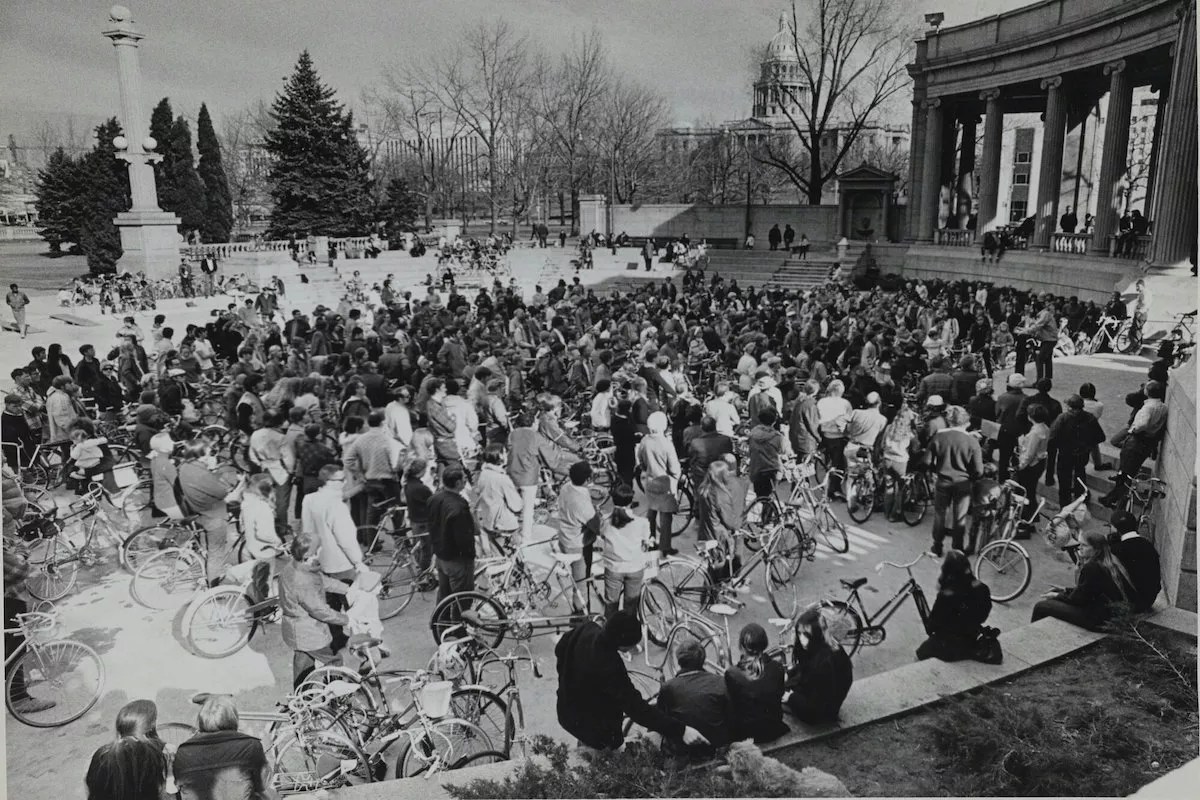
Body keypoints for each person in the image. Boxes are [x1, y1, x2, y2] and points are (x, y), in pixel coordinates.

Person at [555, 610, 706, 750]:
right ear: (622, 644)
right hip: (594, 728)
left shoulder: (587, 628)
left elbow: (560, 649)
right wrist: (681, 730)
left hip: (567, 708)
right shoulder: (609, 666)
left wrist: (568, 678)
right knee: (605, 756)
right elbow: (637, 709)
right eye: (632, 644)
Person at [172, 694, 276, 799]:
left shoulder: (183, 752)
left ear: (201, 720)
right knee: (271, 795)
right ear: (233, 718)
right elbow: (263, 784)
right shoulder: (250, 746)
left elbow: (179, 786)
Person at [1031, 530, 1135, 630]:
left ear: (1096, 549)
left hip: (1098, 620)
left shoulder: (1091, 567)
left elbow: (1078, 600)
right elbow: (1087, 591)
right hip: (1109, 614)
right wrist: (1065, 590)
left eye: (1084, 545)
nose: (1080, 548)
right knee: (1053, 601)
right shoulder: (1111, 561)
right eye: (1080, 544)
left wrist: (1057, 595)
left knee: (1041, 606)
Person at [916, 551, 994, 661]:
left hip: (949, 646)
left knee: (919, 655)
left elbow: (932, 626)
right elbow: (983, 616)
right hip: (971, 640)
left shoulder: (946, 595)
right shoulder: (983, 588)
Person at [1100, 380, 1167, 508]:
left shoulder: (1148, 407)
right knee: (1129, 473)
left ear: (1148, 392)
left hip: (1136, 442)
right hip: (1147, 443)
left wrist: (1133, 429)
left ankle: (1113, 500)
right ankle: (1112, 498)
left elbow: (1143, 424)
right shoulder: (1163, 407)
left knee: (1125, 474)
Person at [657, 641, 732, 756]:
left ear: (679, 661)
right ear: (703, 660)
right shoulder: (720, 681)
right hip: (718, 748)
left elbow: (662, 719)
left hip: (685, 752)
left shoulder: (668, 687)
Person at [927, 406, 984, 556]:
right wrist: (970, 477)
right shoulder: (972, 441)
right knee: (960, 517)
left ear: (949, 420)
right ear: (966, 422)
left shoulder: (939, 437)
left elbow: (927, 461)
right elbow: (979, 471)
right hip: (963, 483)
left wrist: (936, 471)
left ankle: (937, 546)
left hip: (942, 480)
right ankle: (957, 549)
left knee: (940, 514)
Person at [783, 606, 853, 724]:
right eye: (799, 634)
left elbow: (815, 707)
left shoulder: (823, 664)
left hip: (819, 715)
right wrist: (790, 673)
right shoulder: (825, 647)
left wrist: (791, 698)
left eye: (806, 635)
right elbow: (806, 668)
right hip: (823, 701)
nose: (802, 640)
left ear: (816, 634)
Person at [724, 622, 788, 743]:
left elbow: (732, 706)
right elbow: (779, 694)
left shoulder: (732, 673)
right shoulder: (777, 667)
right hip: (773, 728)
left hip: (747, 733)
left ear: (741, 646)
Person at [600, 484, 651, 617]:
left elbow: (602, 535)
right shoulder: (642, 522)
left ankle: (609, 635)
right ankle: (627, 634)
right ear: (630, 502)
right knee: (631, 607)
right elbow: (645, 544)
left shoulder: (606, 520)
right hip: (635, 567)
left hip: (613, 568)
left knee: (611, 606)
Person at [429, 465, 477, 603]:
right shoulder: (460, 506)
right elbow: (465, 538)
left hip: (441, 555)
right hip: (458, 560)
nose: (465, 482)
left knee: (444, 595)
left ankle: (440, 623)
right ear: (457, 483)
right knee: (462, 600)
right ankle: (459, 623)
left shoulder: (434, 499)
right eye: (464, 480)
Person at [636, 411, 681, 556]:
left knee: (651, 512)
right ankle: (665, 546)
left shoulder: (645, 441)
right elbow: (674, 468)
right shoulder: (666, 444)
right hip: (665, 482)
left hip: (650, 481)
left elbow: (641, 461)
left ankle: (650, 541)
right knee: (665, 516)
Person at [1108, 510, 1161, 612]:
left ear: (1114, 529)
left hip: (1133, 603)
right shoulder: (1147, 544)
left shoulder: (1118, 549)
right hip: (1149, 599)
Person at [1012, 404, 1050, 523]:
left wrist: (1020, 466)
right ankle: (1031, 516)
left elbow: (1029, 453)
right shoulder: (1045, 428)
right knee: (1030, 490)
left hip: (1031, 464)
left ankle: (1026, 518)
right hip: (1039, 462)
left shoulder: (1035, 433)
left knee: (1025, 491)